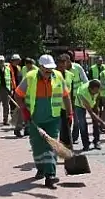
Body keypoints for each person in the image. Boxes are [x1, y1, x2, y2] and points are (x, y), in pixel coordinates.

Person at [15, 54, 73, 189]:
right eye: (46, 69)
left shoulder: (58, 76)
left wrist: (70, 113)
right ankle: (41, 168)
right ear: (40, 67)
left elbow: (66, 96)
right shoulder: (30, 77)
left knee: (50, 145)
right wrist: (24, 110)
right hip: (35, 118)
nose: (49, 71)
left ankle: (50, 175)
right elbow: (17, 95)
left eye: (50, 69)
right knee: (37, 146)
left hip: (53, 118)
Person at [73, 80, 105, 151]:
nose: (97, 92)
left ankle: (96, 141)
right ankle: (86, 144)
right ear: (90, 89)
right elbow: (91, 113)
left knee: (96, 122)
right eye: (95, 91)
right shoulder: (83, 94)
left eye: (98, 90)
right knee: (82, 124)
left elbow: (97, 97)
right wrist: (102, 122)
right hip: (80, 106)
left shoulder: (97, 88)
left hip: (92, 103)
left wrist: (96, 107)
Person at [14, 58, 37, 137]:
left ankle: (27, 129)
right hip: (23, 93)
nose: (27, 66)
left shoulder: (36, 70)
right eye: (26, 65)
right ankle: (18, 128)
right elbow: (20, 79)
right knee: (21, 111)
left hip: (32, 95)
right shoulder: (23, 69)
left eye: (29, 65)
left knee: (30, 113)